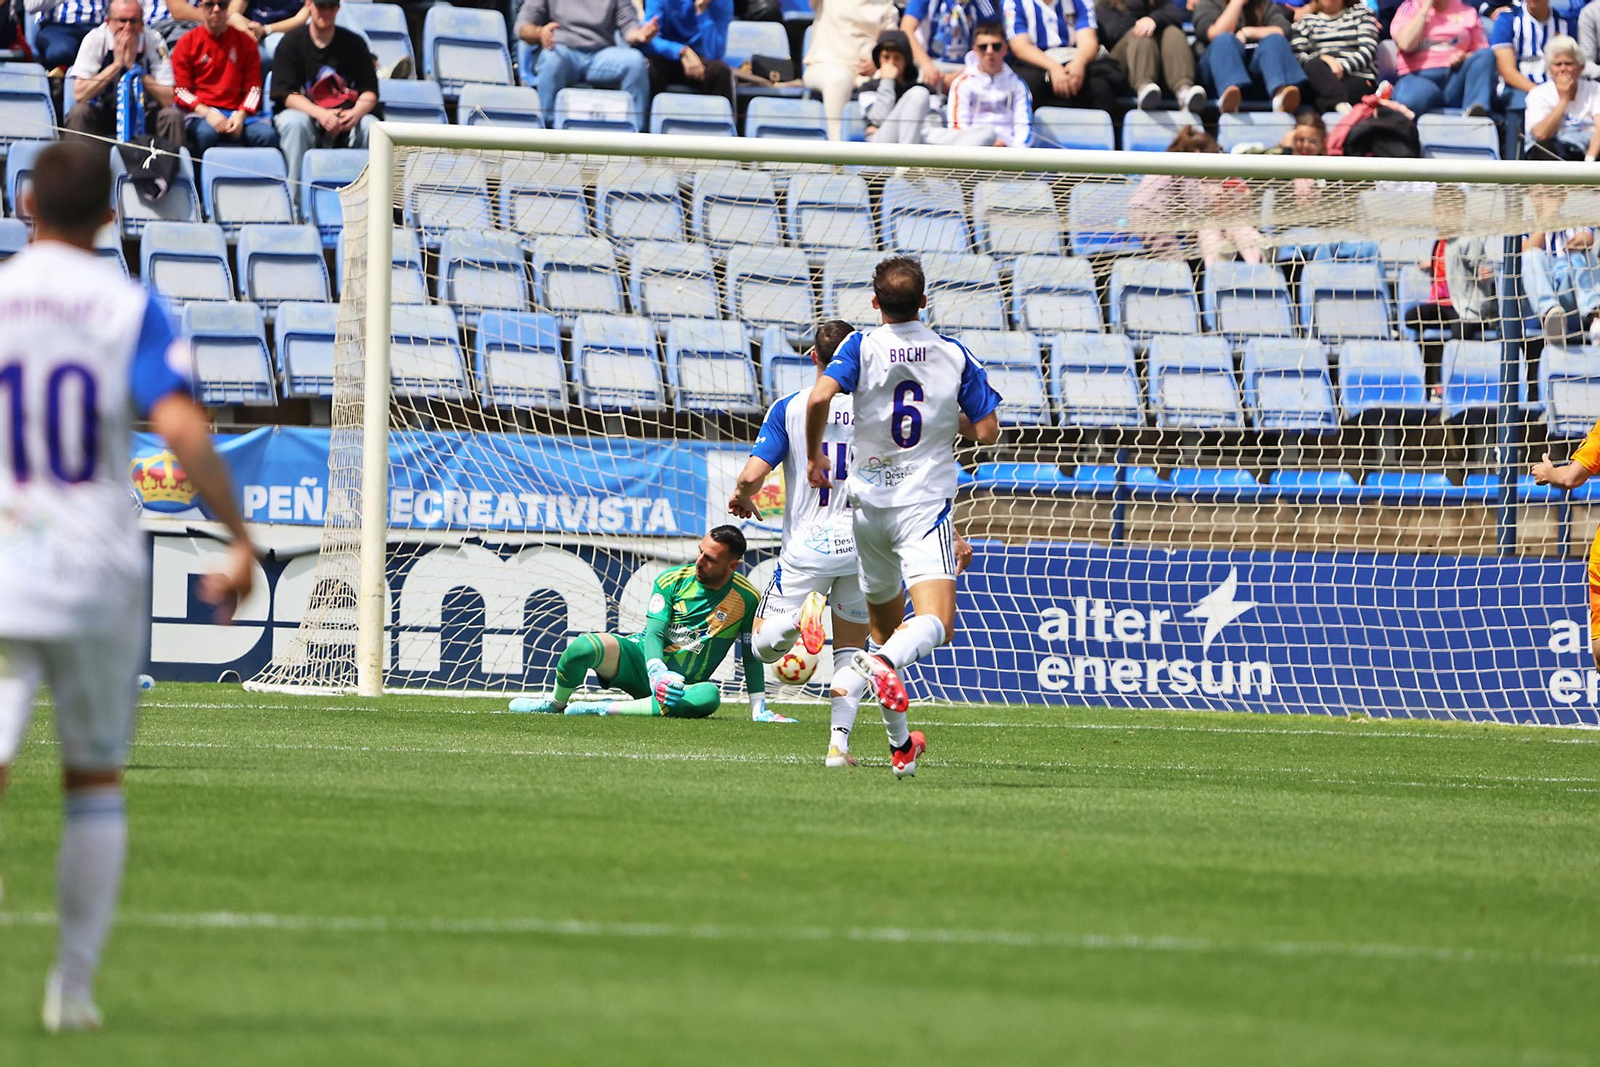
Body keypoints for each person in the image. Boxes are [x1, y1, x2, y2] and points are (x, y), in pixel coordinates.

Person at [0, 141, 256, 1033]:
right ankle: (70, 989)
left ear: (25, 203)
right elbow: (180, 426)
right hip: (95, 570)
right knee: (93, 779)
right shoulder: (130, 306)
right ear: (111, 216)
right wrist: (240, 536)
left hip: (1, 567)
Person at [732, 320, 976, 764]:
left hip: (809, 547)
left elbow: (753, 475)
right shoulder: (879, 407)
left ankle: (798, 623)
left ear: (813, 359)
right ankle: (837, 747)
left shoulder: (792, 407)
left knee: (765, 644)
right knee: (852, 651)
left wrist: (742, 495)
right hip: (864, 542)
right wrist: (951, 532)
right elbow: (910, 480)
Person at [804, 258, 1002, 779]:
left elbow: (822, 394)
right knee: (935, 623)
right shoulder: (954, 354)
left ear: (875, 303)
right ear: (924, 301)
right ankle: (883, 666)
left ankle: (900, 746)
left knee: (885, 632)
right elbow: (986, 432)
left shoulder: (859, 347)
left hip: (867, 508)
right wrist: (944, 418)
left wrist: (814, 457)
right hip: (923, 509)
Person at [508, 527, 778, 720]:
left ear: (732, 566)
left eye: (710, 559)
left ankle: (602, 709)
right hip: (642, 660)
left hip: (679, 686)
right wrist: (655, 671)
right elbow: (654, 634)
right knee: (582, 646)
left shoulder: (747, 598)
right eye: (700, 552)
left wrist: (758, 707)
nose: (699, 561)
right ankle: (555, 703)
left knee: (709, 696)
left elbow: (751, 656)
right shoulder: (672, 579)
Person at [271, 0, 378, 199]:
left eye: (331, 6)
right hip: (307, 117)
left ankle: (370, 202)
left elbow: (370, 92)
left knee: (373, 126)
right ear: (309, 5)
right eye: (321, 6)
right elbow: (286, 95)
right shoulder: (291, 43)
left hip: (347, 119)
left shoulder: (354, 43)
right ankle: (296, 204)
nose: (326, 12)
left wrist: (354, 114)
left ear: (338, 9)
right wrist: (321, 114)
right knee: (294, 123)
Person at [515, 0, 660, 131]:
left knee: (635, 62)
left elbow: (629, 27)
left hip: (600, 54)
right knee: (552, 60)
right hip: (563, 51)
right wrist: (539, 33)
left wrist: (641, 34)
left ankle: (636, 133)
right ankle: (548, 131)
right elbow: (522, 27)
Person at [1131, 126, 1266, 265]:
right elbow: (1197, 211)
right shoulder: (1185, 170)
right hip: (1151, 218)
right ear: (1198, 153)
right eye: (1212, 154)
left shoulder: (1172, 162)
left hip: (1147, 214)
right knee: (1176, 264)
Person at [1402, 184, 1494, 388]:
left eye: (1447, 212)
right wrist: (1431, 264)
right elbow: (1446, 265)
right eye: (1438, 212)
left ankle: (1455, 382)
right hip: (1442, 305)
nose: (1441, 217)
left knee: (1460, 331)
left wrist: (1485, 273)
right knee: (1411, 317)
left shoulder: (1467, 240)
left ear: (1459, 213)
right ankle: (1430, 377)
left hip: (1463, 307)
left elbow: (1482, 265)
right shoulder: (1440, 242)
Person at [64, 0, 186, 145]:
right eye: (122, 21)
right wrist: (116, 65)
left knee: (172, 116)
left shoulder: (154, 40)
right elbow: (80, 94)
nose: (127, 28)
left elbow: (168, 98)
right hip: (103, 112)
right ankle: (77, 166)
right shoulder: (95, 39)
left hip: (143, 113)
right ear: (108, 21)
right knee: (79, 113)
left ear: (142, 23)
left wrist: (133, 68)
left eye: (133, 21)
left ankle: (172, 166)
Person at [172, 0, 279, 155]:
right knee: (205, 134)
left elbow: (254, 88)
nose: (216, 10)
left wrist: (241, 115)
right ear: (201, 7)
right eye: (210, 5)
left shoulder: (246, 42)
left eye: (221, 5)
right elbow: (181, 91)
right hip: (201, 113)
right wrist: (207, 113)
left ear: (228, 8)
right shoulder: (187, 42)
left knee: (267, 136)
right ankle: (198, 179)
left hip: (238, 113)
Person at [860, 26, 999, 145]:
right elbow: (879, 119)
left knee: (988, 133)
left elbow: (933, 124)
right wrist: (887, 81)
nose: (891, 63)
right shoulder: (868, 88)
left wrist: (910, 129)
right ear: (878, 59)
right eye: (886, 57)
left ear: (906, 61)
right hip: (881, 149)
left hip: (922, 140)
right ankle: (906, 164)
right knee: (918, 94)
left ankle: (918, 163)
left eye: (897, 58)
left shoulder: (927, 90)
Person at [802, 0, 898, 141]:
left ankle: (885, 145)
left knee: (896, 78)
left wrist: (877, 60)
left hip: (871, 72)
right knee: (838, 78)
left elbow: (892, 44)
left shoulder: (886, 5)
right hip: (825, 65)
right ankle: (837, 151)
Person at [1001, 0, 1119, 113]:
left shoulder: (1081, 2)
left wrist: (1079, 63)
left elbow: (1088, 40)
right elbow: (1020, 47)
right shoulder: (1013, 3)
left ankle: (1104, 132)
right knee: (1028, 85)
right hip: (1035, 62)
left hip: (1073, 59)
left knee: (1100, 86)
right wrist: (1054, 68)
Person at [1194, 0, 1309, 113]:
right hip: (1215, 75)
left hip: (1254, 78)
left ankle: (1280, 97)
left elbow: (1283, 30)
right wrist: (1237, 3)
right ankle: (1229, 98)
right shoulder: (1208, 3)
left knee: (1275, 40)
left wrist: (1247, 32)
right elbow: (1215, 33)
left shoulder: (1263, 5)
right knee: (1224, 39)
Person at [1389, 0, 1495, 118]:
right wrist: (1424, 9)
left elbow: (1480, 52)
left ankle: (1475, 114)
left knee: (1486, 55)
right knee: (1409, 100)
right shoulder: (1409, 8)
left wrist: (1464, 57)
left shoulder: (1467, 11)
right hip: (1419, 77)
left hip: (1456, 77)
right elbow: (1405, 44)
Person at [1095, 0, 1204, 111]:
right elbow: (1112, 34)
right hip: (1122, 69)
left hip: (1160, 68)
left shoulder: (1157, 3)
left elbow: (1176, 16)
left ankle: (1184, 92)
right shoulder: (1105, 4)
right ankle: (1145, 89)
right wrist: (1136, 10)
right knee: (1141, 33)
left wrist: (1153, 19)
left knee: (1173, 32)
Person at [1524, 185, 1600, 343]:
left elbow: (1587, 238)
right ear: (1531, 196)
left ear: (1562, 196)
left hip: (1571, 295)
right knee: (1532, 256)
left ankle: (1596, 319)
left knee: (1583, 256)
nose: (1546, 199)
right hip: (1536, 301)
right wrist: (1545, 220)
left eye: (1551, 194)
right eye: (1540, 194)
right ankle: (1550, 314)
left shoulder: (1573, 221)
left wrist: (1578, 243)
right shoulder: (1523, 224)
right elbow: (1526, 250)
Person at [946, 20, 1032, 144]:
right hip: (973, 151)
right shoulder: (962, 84)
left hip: (1009, 151)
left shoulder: (1018, 85)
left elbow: (1024, 127)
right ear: (975, 50)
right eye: (983, 47)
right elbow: (957, 127)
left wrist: (1014, 152)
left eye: (996, 46)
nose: (990, 51)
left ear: (1005, 49)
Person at [1291, 0, 1379, 113]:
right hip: (1318, 77)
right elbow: (1297, 54)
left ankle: (1335, 103)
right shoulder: (1305, 22)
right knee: (1312, 64)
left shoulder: (1361, 14)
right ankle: (1341, 105)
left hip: (1356, 76)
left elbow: (1368, 50)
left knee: (1319, 97)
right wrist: (1322, 60)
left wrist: (1342, 69)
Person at [1490, 0, 1574, 117]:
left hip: (1555, 89)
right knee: (1525, 104)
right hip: (1515, 89)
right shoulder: (1508, 20)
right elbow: (1507, 72)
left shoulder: (1565, 24)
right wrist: (1541, 93)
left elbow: (1573, 66)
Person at [642, 0, 735, 105]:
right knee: (651, 66)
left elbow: (715, 54)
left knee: (720, 71)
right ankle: (648, 118)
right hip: (666, 55)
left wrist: (702, 10)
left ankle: (719, 120)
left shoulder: (723, 2)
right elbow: (649, 40)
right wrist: (681, 51)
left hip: (700, 62)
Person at [1525, 34, 1600, 157]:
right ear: (1550, 69)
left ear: (1581, 67)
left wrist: (1589, 159)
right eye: (1558, 64)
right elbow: (1541, 134)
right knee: (1544, 147)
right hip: (1554, 152)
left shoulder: (1595, 89)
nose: (1563, 69)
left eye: (1569, 64)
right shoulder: (1538, 94)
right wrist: (1564, 100)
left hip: (1588, 150)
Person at [901, 0, 1002, 88]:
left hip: (965, 68)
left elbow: (994, 38)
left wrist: (965, 73)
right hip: (931, 63)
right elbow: (906, 29)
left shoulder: (982, 3)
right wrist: (926, 63)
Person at [26, 0, 108, 71]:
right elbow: (31, 6)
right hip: (57, 26)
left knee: (110, 51)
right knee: (60, 52)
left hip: (97, 26)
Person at [227, 0, 308, 41]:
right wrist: (247, 28)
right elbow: (232, 13)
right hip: (246, 27)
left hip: (276, 32)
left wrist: (264, 30)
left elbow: (300, 19)